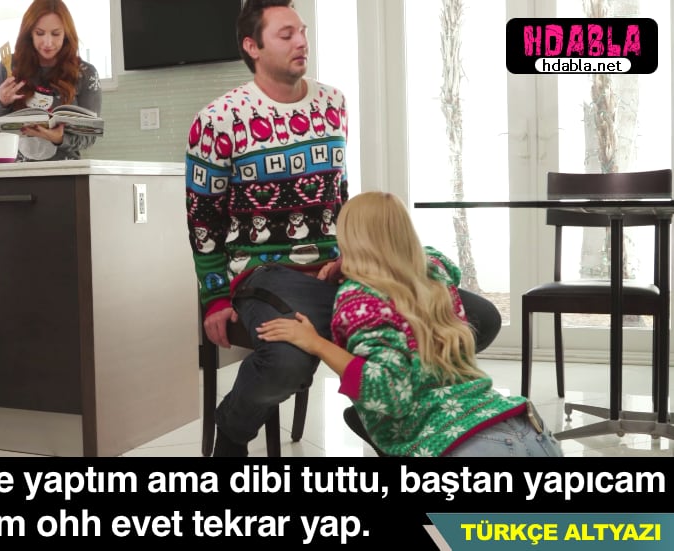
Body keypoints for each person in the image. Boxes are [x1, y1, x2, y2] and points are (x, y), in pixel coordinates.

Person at [185, 0, 501, 457]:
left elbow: (339, 194)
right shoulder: (218, 119)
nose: (301, 42)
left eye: (303, 31)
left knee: (478, 318)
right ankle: (232, 431)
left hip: (340, 268)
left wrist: (352, 255)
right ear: (252, 46)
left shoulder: (332, 104)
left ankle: (385, 413)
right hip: (264, 274)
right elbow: (202, 218)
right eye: (286, 35)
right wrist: (215, 297)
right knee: (287, 362)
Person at [257, 192, 563, 457]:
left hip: (468, 446)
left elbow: (388, 391)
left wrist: (316, 343)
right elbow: (441, 261)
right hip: (529, 431)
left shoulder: (358, 298)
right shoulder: (433, 271)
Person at [0, 0, 101, 161]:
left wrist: (59, 138)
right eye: (39, 33)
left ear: (66, 34)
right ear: (29, 33)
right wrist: (1, 102)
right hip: (16, 170)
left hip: (66, 171)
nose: (47, 42)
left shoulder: (86, 73)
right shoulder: (9, 66)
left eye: (55, 34)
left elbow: (90, 136)